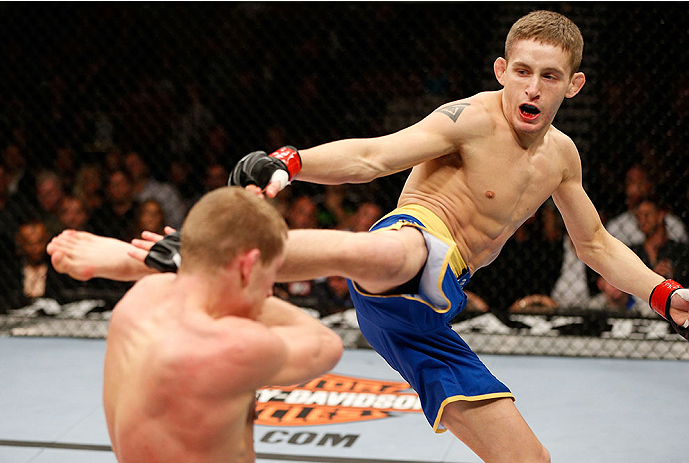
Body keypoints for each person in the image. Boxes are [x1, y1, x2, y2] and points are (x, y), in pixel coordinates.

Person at [223, 10, 689, 462]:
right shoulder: (470, 119)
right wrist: (291, 161)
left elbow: (595, 244)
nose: (532, 87)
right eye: (522, 71)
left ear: (574, 85)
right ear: (501, 70)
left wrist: (661, 293)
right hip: (416, 244)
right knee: (394, 251)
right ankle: (212, 258)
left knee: (527, 458)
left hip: (426, 316)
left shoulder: (563, 158)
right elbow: (374, 157)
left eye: (550, 76)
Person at [50, 187, 343, 462]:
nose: (268, 291)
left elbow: (195, 278)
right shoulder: (233, 345)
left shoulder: (140, 297)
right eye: (271, 274)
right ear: (247, 266)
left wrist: (190, 265)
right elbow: (326, 345)